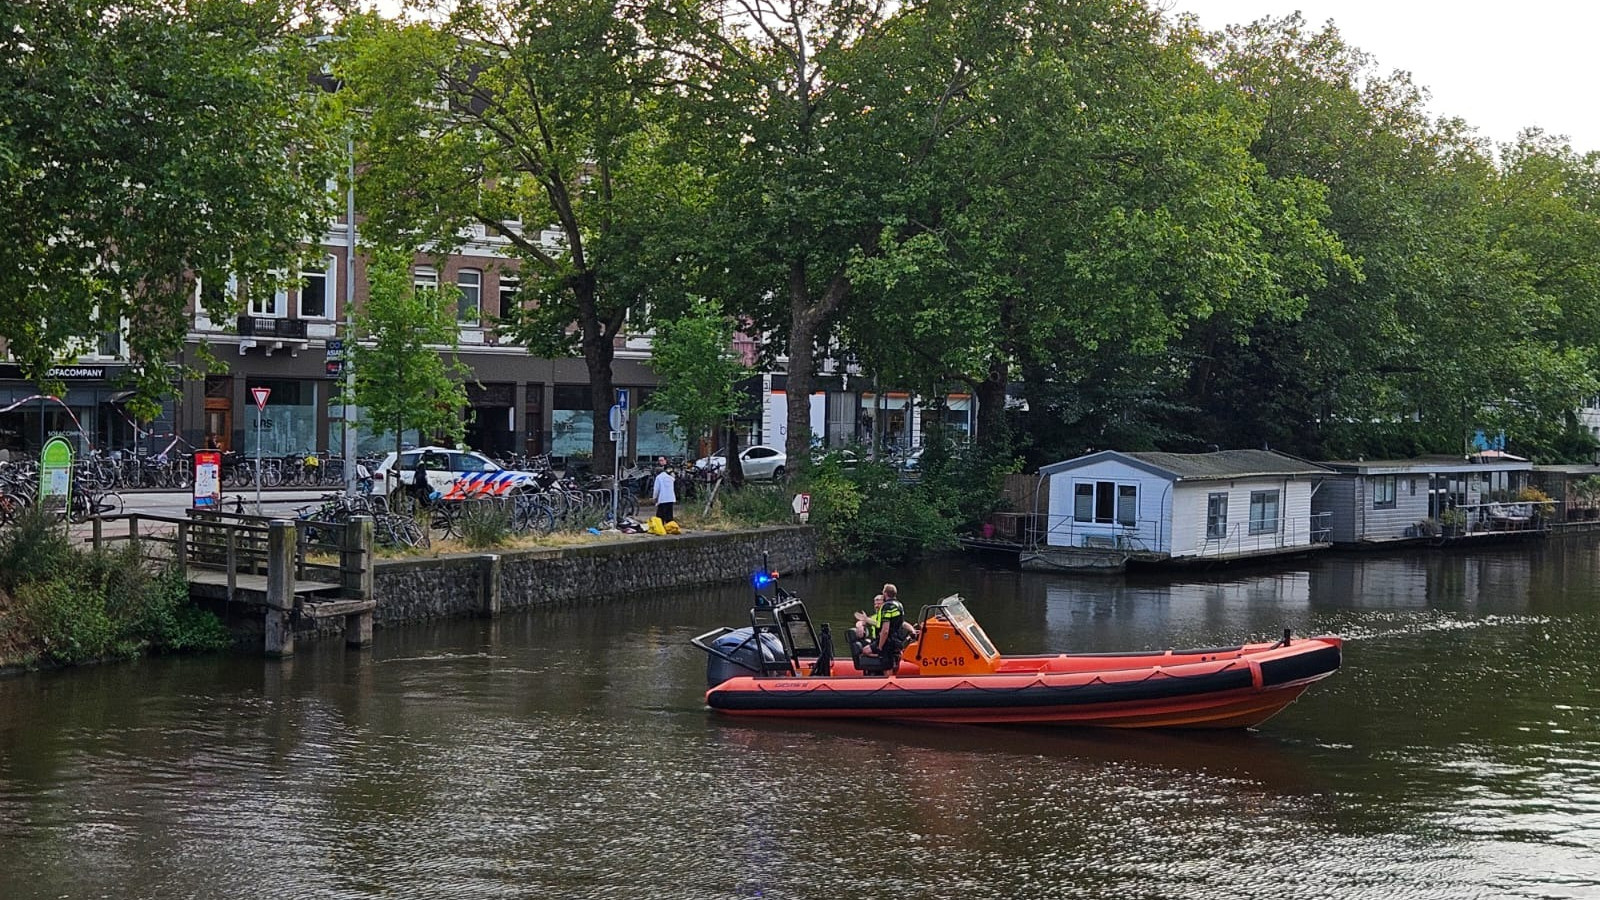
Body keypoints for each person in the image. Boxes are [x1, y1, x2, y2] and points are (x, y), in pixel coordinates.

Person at [850, 593, 886, 660]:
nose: (876, 606)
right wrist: (860, 625)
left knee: (865, 651)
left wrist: (912, 631)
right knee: (860, 646)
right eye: (875, 604)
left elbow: (878, 624)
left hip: (884, 641)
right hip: (876, 640)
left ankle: (883, 657)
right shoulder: (874, 617)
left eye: (878, 604)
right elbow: (861, 622)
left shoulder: (887, 615)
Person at [651, 455, 677, 524]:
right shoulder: (670, 478)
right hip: (670, 497)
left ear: (666, 460)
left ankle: (661, 527)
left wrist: (654, 498)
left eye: (662, 460)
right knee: (669, 515)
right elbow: (673, 479)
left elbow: (656, 489)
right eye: (659, 460)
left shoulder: (668, 469)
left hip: (662, 498)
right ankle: (670, 526)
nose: (660, 462)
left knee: (660, 515)